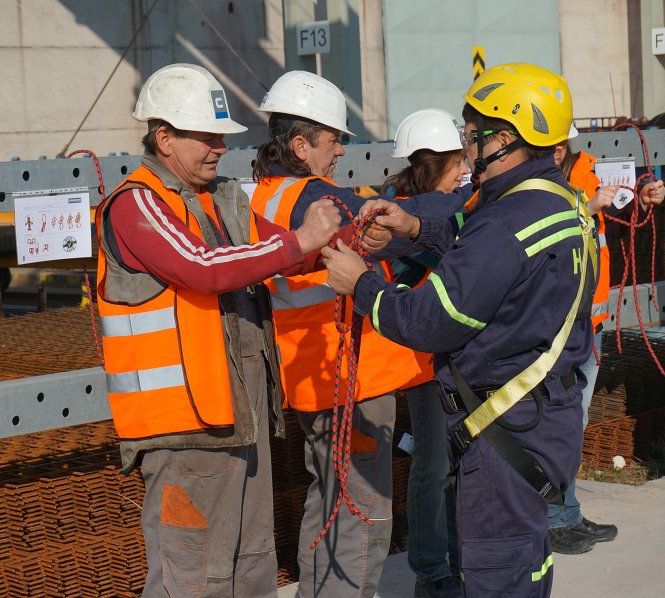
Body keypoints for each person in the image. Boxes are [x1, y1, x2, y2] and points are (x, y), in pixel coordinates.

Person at [322, 63, 597, 597]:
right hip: (542, 416)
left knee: (497, 574)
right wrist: (413, 226)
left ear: (504, 140)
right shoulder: (552, 199)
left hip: (507, 426)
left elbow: (428, 321)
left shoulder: (505, 222)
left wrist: (360, 284)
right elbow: (478, 242)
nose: (466, 150)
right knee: (525, 562)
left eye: (471, 136)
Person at [94, 63, 342, 597]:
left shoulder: (223, 196)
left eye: (221, 137)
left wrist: (336, 245)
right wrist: (301, 241)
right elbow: (202, 267)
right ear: (164, 138)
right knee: (190, 578)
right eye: (207, 137)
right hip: (184, 429)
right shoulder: (137, 205)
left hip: (239, 417)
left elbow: (276, 251)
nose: (219, 148)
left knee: (251, 567)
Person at [249, 70, 447, 598]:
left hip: (312, 375)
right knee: (364, 510)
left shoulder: (266, 194)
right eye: (332, 139)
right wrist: (468, 207)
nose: (339, 150)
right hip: (351, 378)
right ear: (300, 145)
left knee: (330, 499)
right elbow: (388, 227)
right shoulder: (314, 199)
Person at [546, 125, 665, 553]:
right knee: (552, 423)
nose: (554, 151)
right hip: (551, 325)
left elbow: (621, 205)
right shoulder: (530, 179)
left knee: (573, 420)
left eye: (559, 145)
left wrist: (645, 194)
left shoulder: (588, 170)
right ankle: (552, 519)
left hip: (587, 323)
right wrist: (584, 204)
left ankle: (567, 513)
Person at [383, 108, 470, 597]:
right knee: (434, 464)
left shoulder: (442, 207)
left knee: (457, 464)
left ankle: (455, 559)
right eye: (458, 162)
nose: (464, 171)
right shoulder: (402, 216)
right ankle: (431, 570)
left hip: (453, 357)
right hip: (422, 363)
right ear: (435, 163)